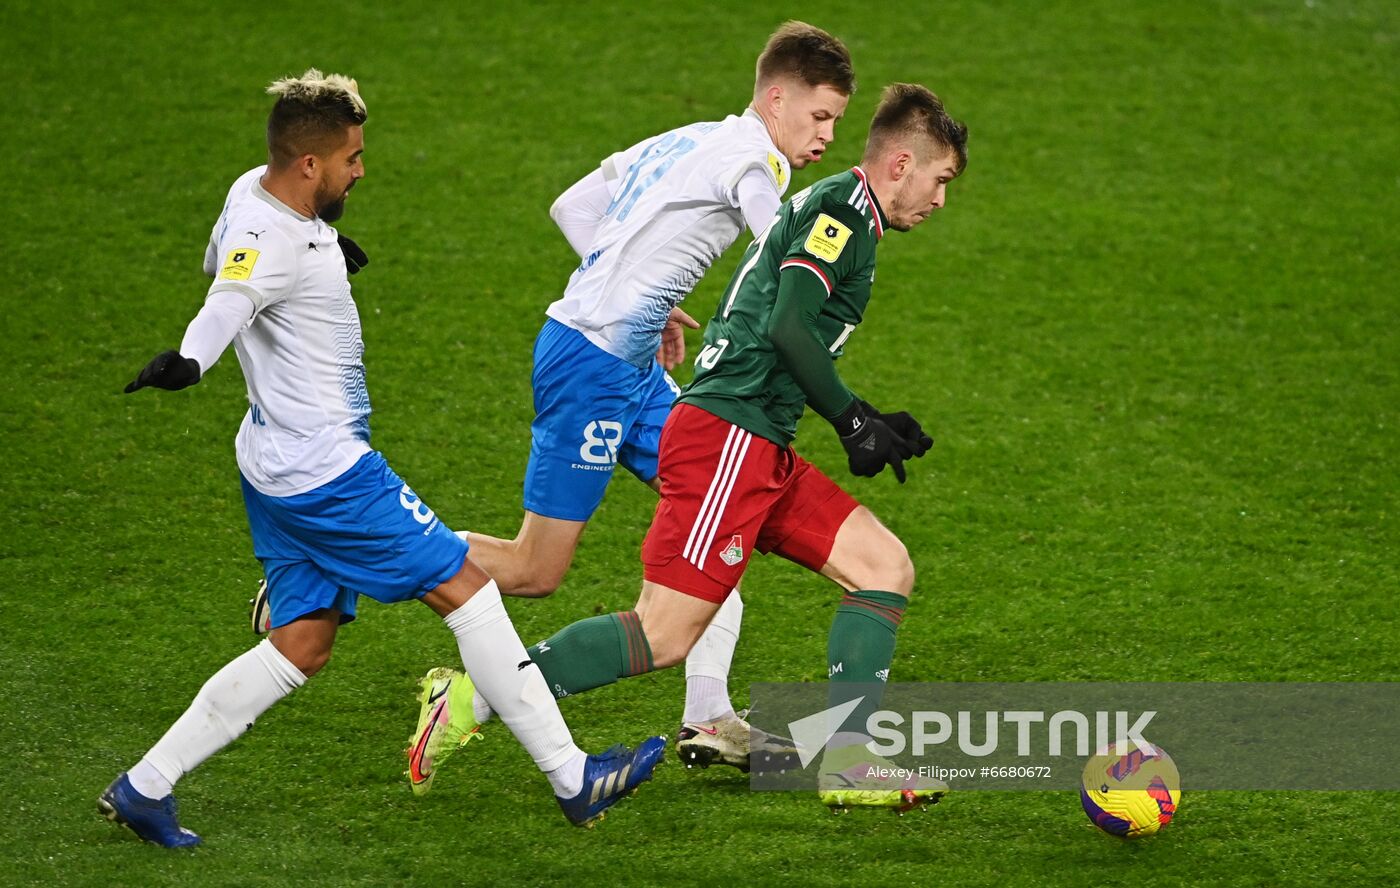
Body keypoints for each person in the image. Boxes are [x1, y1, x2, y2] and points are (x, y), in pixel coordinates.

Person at [100, 69, 663, 848]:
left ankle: (144, 787)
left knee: (303, 642)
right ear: (308, 165)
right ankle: (574, 778)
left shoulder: (250, 195)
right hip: (328, 473)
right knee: (470, 593)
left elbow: (221, 260)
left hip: (271, 461)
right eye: (351, 160)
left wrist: (323, 246)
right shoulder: (274, 243)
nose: (360, 170)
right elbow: (228, 297)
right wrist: (192, 361)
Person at [477, 83, 969, 811]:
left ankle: (853, 759)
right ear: (902, 163)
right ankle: (479, 693)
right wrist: (851, 420)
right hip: (726, 441)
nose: (940, 199)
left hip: (758, 444)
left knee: (883, 565)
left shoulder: (851, 212)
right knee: (663, 635)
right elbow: (788, 328)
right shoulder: (838, 210)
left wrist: (868, 415)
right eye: (941, 180)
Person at [406, 21, 856, 789]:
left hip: (625, 361)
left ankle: (708, 716)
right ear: (776, 98)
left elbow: (572, 206)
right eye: (818, 116)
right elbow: (776, 251)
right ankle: (347, 559)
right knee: (534, 568)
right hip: (589, 365)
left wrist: (643, 302)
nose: (825, 136)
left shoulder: (688, 138)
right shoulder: (757, 162)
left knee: (717, 529)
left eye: (836, 123)